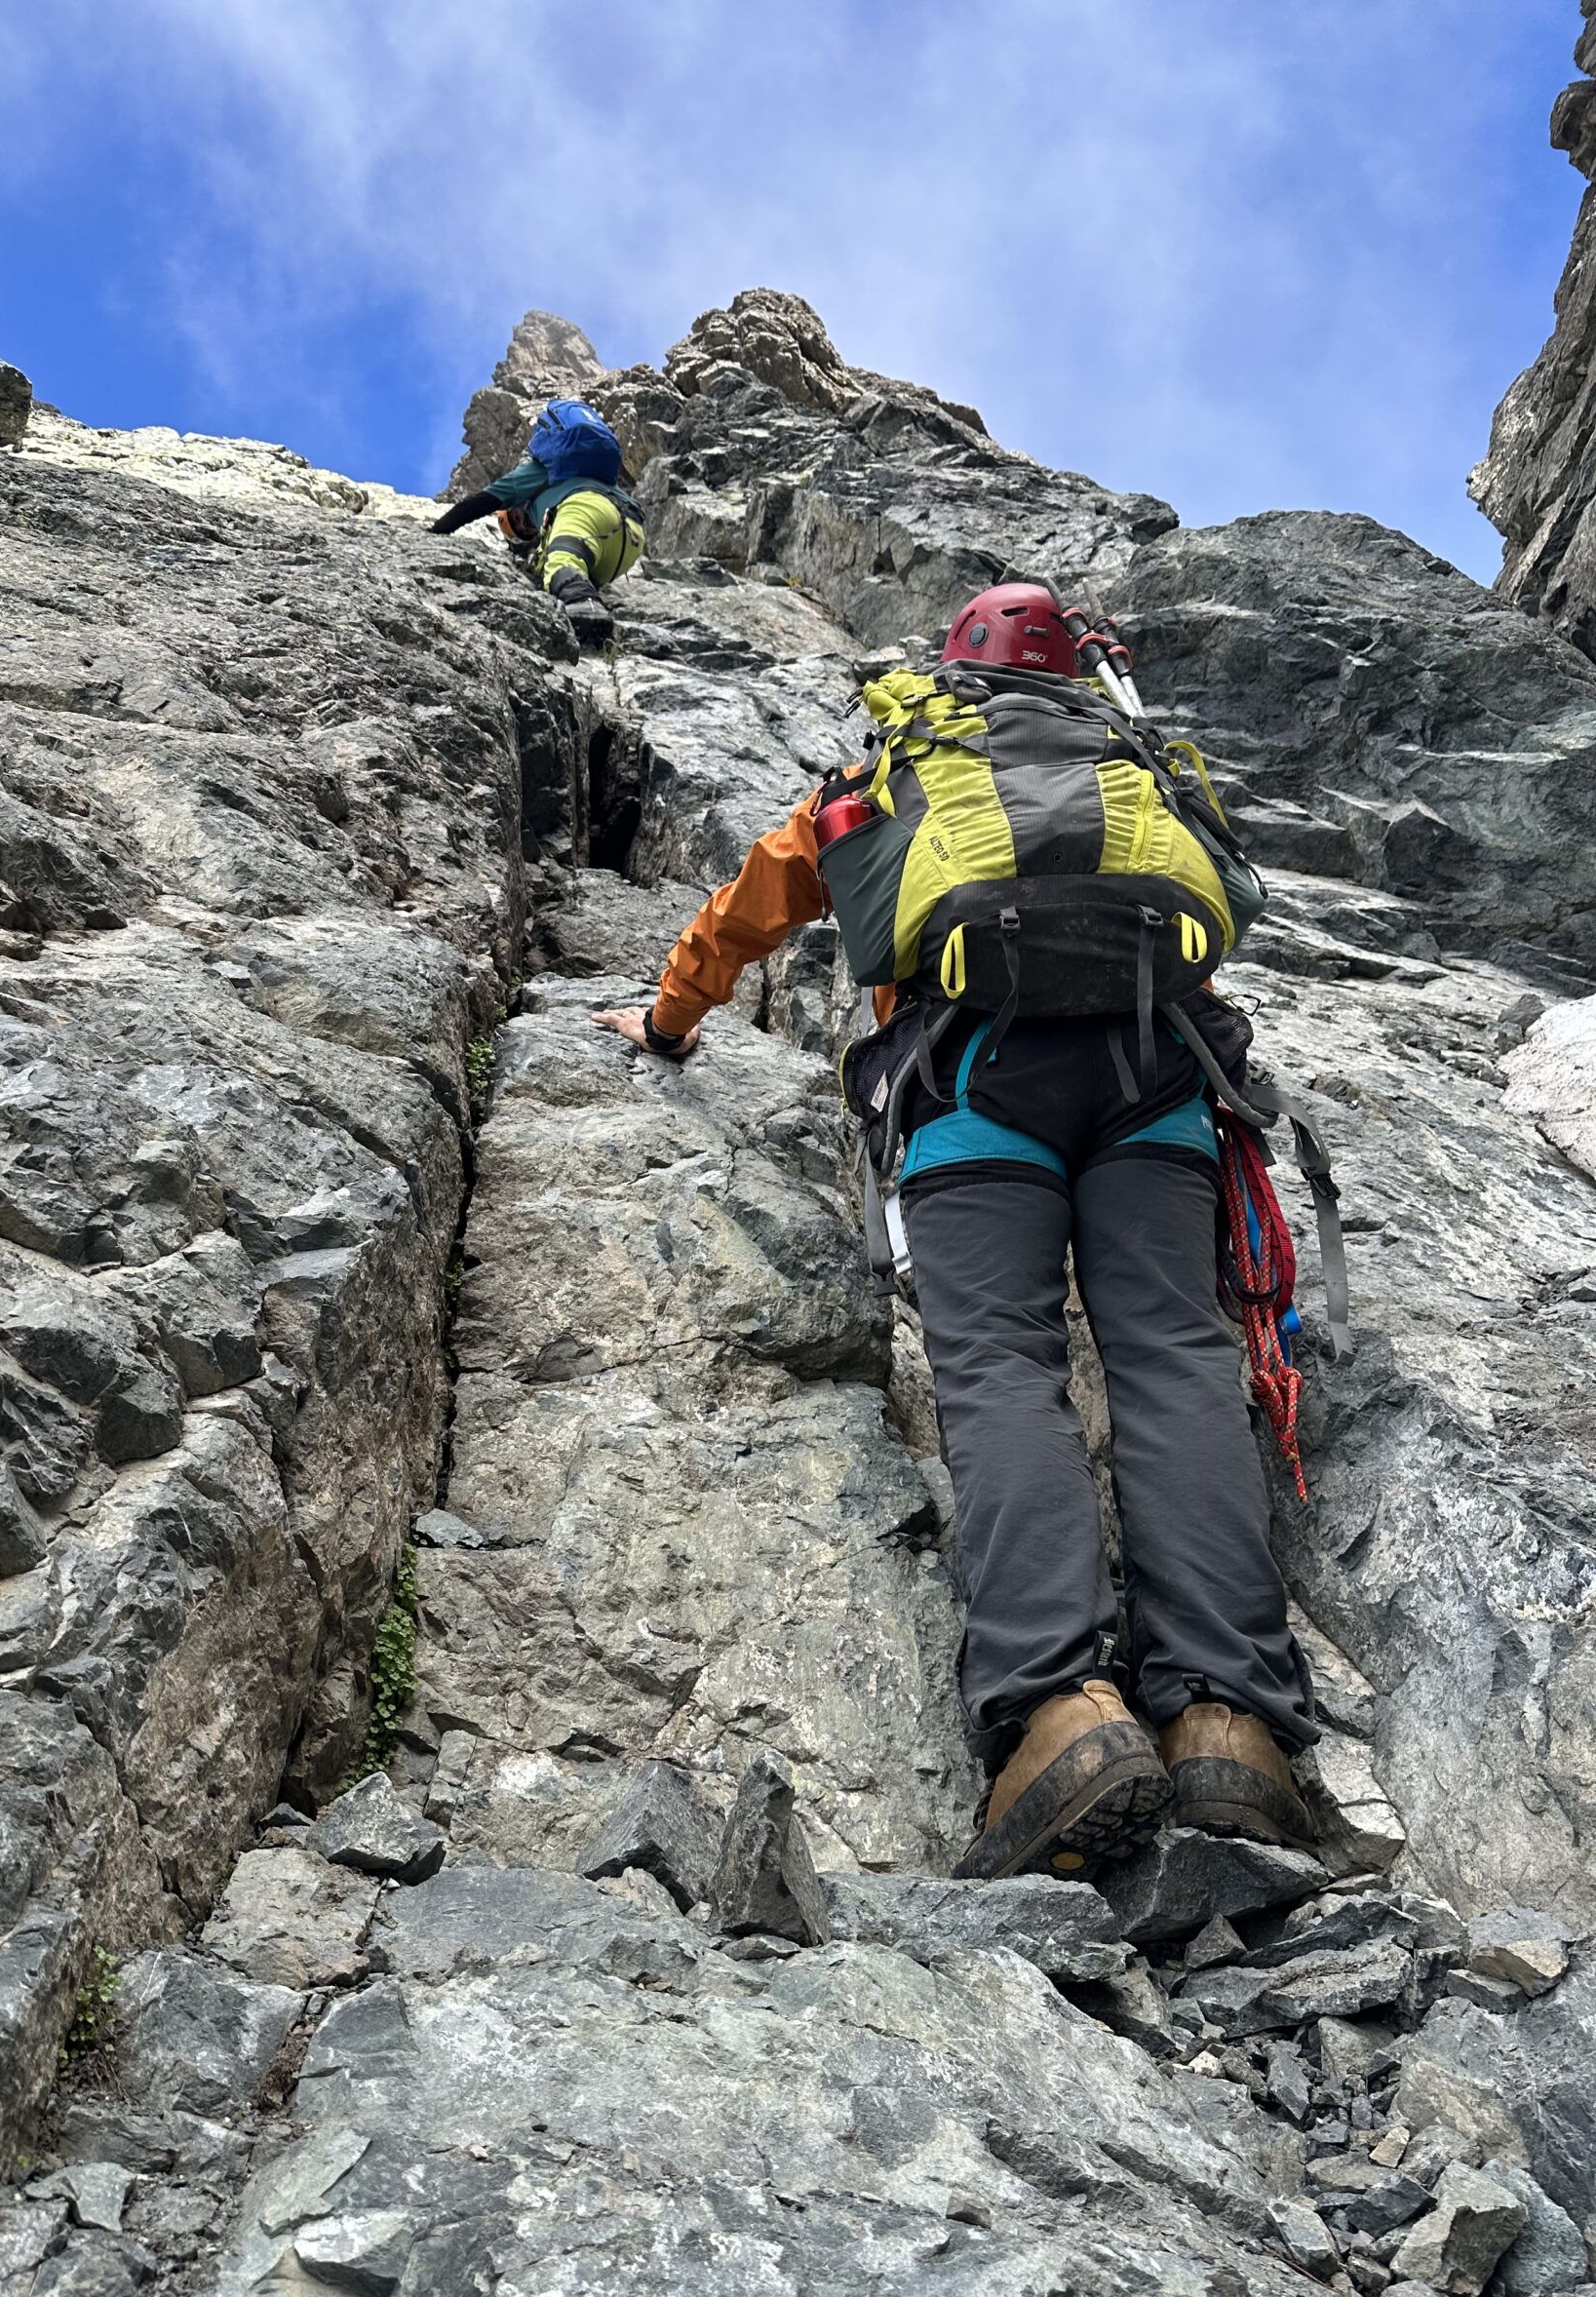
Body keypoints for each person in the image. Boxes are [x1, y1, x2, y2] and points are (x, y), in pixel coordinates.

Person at [594, 583, 1319, 1883]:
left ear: (955, 667)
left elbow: (758, 900)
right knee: (1174, 1352)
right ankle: (1230, 1727)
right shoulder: (1134, 763)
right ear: (1068, 669)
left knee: (999, 1361)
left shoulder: (901, 763)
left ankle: (1060, 1712)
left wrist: (668, 1018)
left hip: (973, 1083)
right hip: (1158, 1084)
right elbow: (1232, 904)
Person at [430, 396, 644, 648]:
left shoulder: (536, 471)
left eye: (516, 520)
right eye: (521, 533)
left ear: (513, 508)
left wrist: (435, 531)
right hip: (632, 536)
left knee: (561, 559)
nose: (524, 526)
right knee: (575, 565)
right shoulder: (579, 472)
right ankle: (588, 602)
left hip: (588, 510)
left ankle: (584, 607)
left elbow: (479, 502)